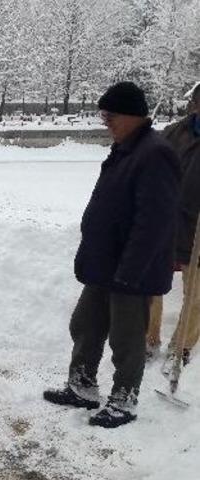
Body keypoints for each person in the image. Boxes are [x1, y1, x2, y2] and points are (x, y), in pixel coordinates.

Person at [43, 81, 180, 428]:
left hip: (130, 269)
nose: (105, 121)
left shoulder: (155, 153)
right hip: (105, 264)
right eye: (103, 114)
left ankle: (124, 400)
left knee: (126, 338)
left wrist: (131, 271)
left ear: (133, 115)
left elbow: (154, 221)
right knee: (85, 325)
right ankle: (82, 386)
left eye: (111, 115)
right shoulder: (126, 148)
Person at [147, 82, 200, 369]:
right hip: (166, 222)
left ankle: (181, 347)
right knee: (151, 284)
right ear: (194, 105)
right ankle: (148, 338)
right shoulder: (174, 133)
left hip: (198, 231)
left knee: (196, 295)